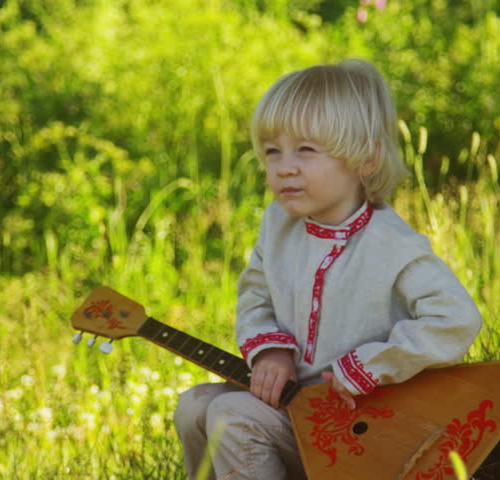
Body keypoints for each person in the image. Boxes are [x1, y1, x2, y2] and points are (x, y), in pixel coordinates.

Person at [173, 59, 483, 480]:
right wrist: (271, 349)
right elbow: (255, 296)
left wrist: (370, 365)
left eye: (305, 150)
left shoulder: (391, 244)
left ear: (366, 159)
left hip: (361, 427)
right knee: (193, 407)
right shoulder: (278, 226)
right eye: (272, 151)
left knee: (233, 413)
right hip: (294, 409)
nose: (284, 167)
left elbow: (456, 319)